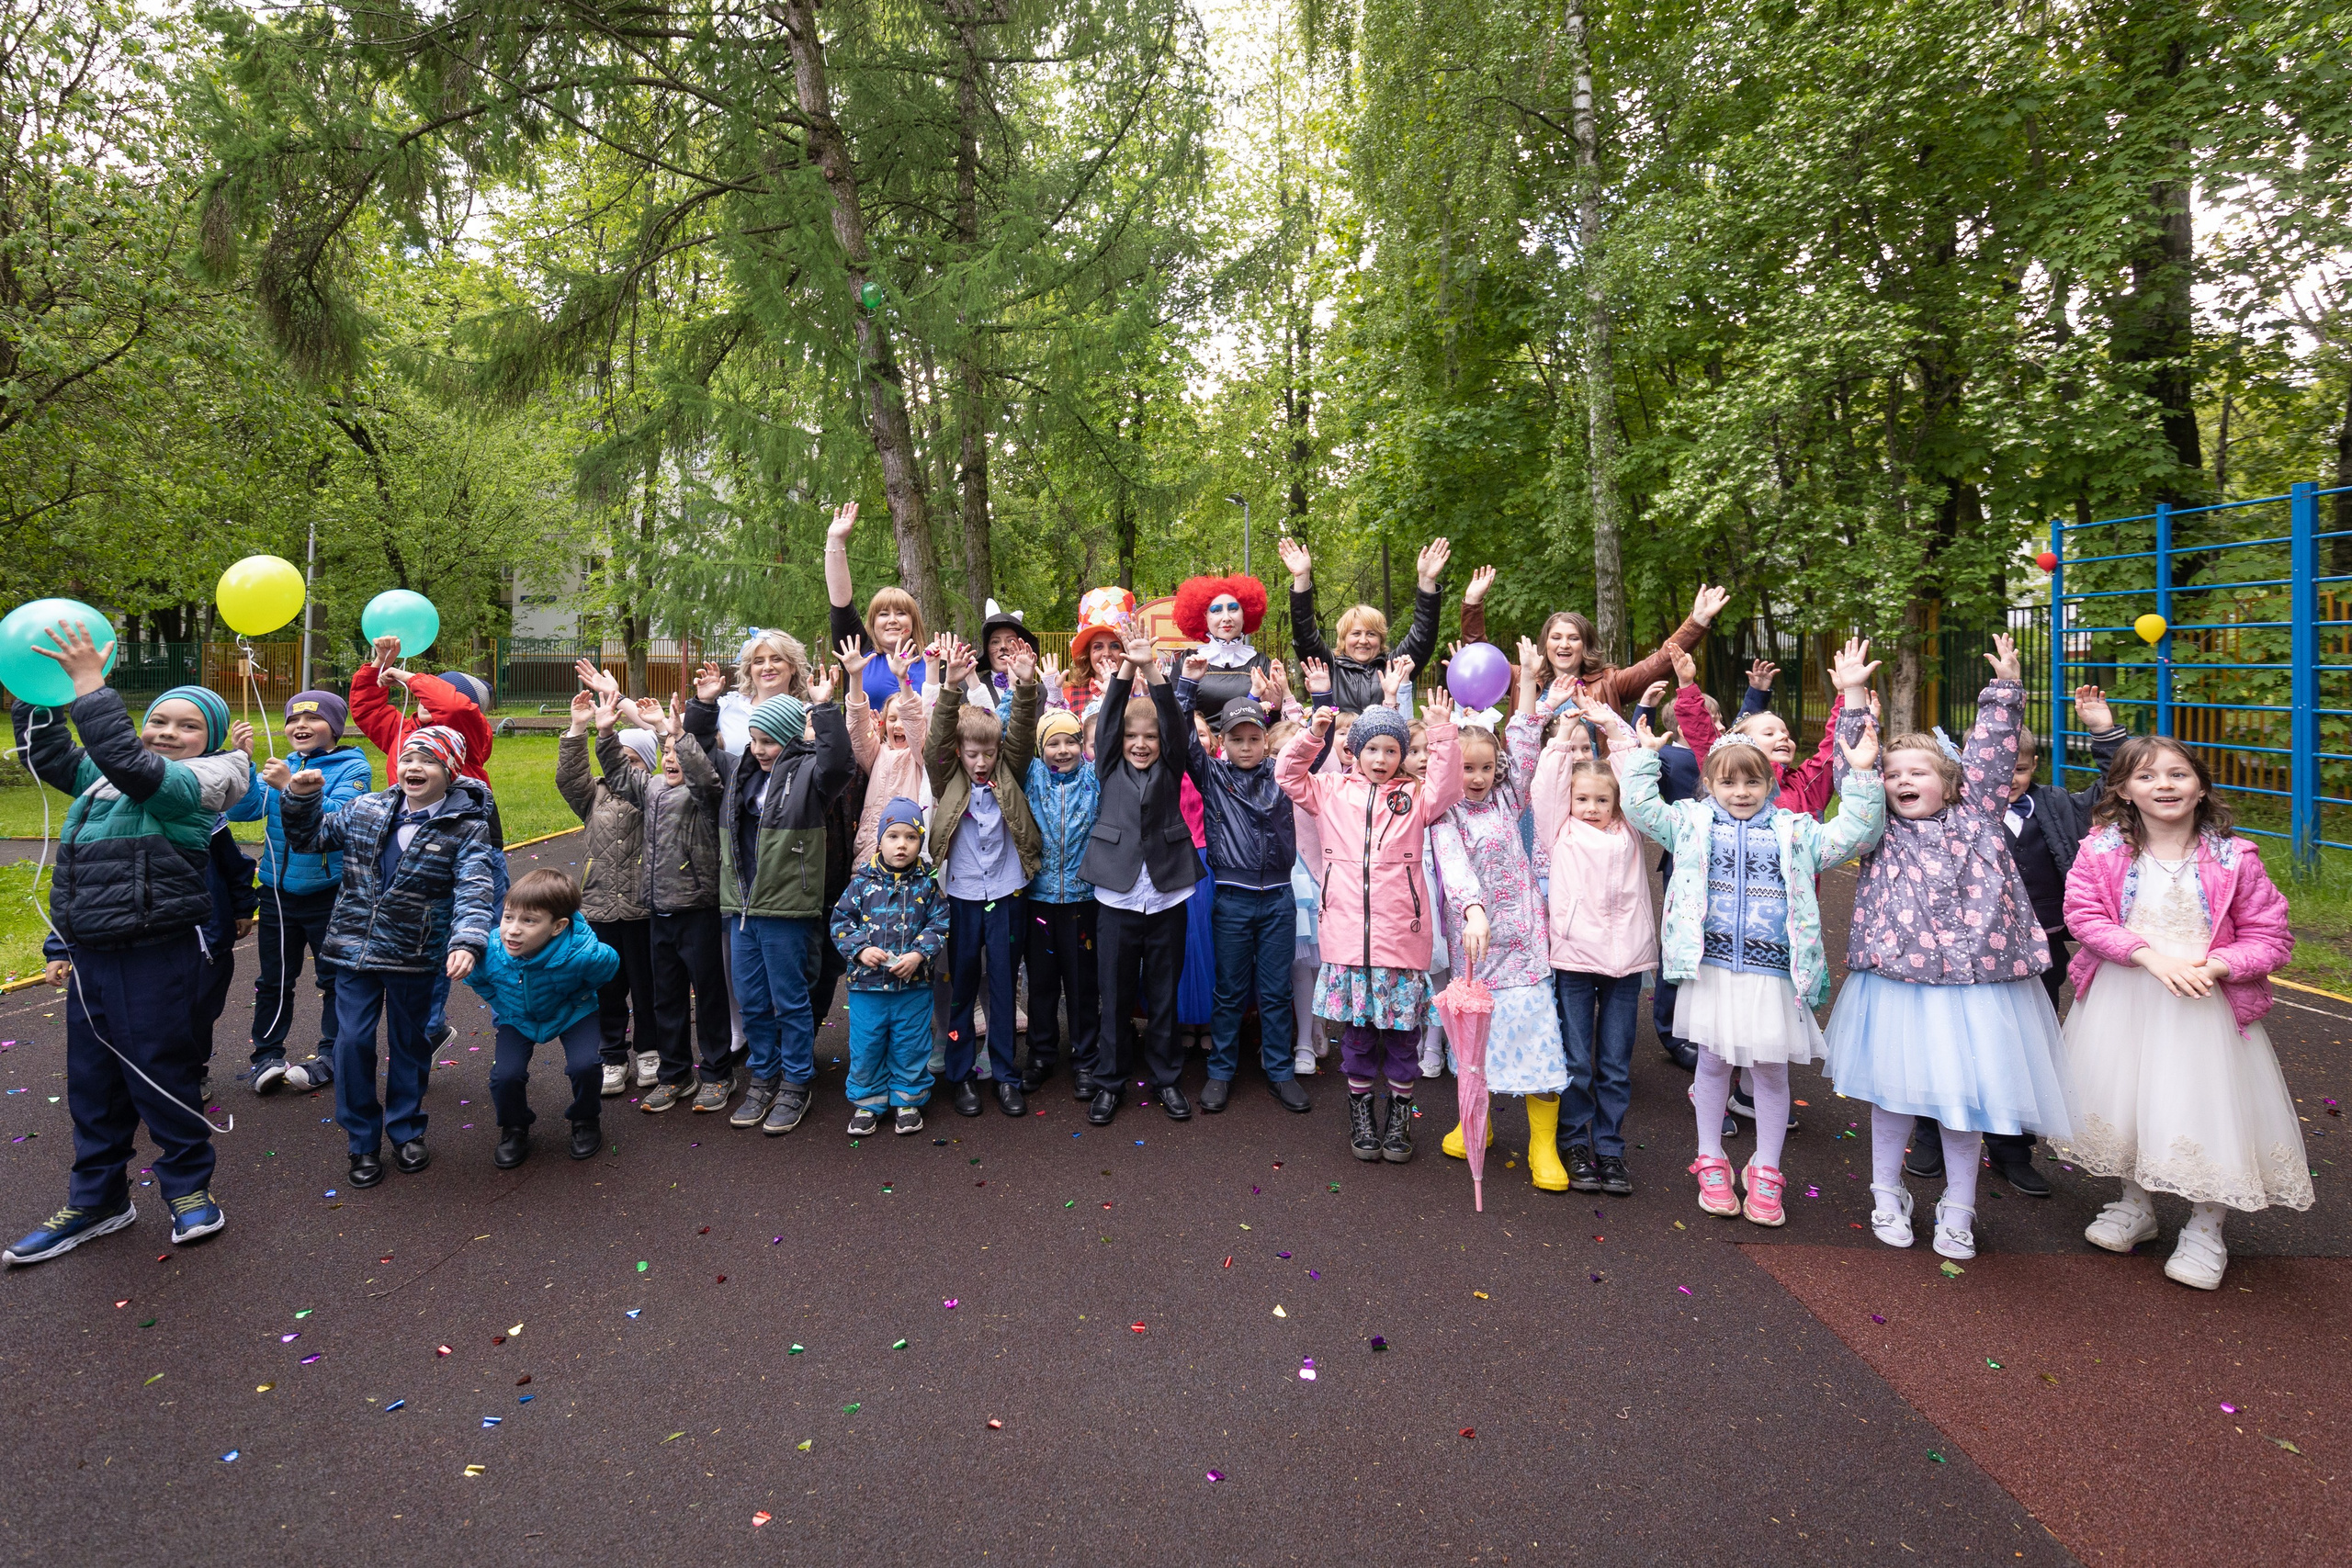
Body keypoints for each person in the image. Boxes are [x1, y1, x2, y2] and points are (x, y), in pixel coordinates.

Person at [1824, 637, 2075, 1263]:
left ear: (1953, 780)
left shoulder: (1981, 815)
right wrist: (1853, 696)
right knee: (1893, 1098)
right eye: (1894, 773)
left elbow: (1993, 752)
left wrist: (2005, 692)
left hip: (1976, 987)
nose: (1904, 780)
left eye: (1920, 771)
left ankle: (1958, 1209)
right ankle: (1887, 1192)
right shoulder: (1876, 827)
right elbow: (1851, 767)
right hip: (1899, 984)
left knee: (1967, 1105)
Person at [4, 635, 250, 1266]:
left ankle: (189, 1185)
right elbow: (53, 754)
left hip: (158, 951)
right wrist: (38, 693)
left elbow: (139, 772)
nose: (169, 732)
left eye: (189, 725)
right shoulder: (105, 776)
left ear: (213, 738)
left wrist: (91, 686)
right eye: (158, 720)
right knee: (93, 1083)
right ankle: (98, 1199)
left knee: (160, 1069)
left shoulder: (212, 775)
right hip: (93, 953)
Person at [1623, 703, 1884, 1228]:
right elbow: (1640, 808)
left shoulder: (1796, 831)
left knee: (1769, 1070)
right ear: (1710, 786)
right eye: (1728, 782)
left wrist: (1859, 775)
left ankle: (1767, 1169)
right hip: (1713, 968)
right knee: (1713, 1063)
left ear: (1769, 783)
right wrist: (1643, 761)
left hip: (1773, 974)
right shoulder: (1689, 824)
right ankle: (1711, 1160)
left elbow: (1855, 835)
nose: (1741, 792)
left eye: (1752, 782)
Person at [2055, 739, 2302, 1290]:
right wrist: (2147, 956)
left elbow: (2271, 937)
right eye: (2146, 777)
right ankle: (2135, 1204)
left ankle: (2206, 1227)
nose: (2164, 785)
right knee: (2127, 1099)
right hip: (2126, 998)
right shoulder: (2101, 851)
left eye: (2177, 774)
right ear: (2122, 791)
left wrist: (2215, 967)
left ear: (2202, 786)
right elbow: (2085, 916)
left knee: (2204, 1108)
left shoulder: (2236, 860)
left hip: (2202, 1008)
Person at [1902, 685, 2132, 1196]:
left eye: (2021, 770)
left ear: (2034, 767)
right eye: (2002, 769)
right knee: (1946, 1041)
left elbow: (2117, 787)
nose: (2009, 781)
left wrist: (2103, 731)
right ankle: (1931, 1136)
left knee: (2019, 1048)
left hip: (2037, 950)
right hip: (1962, 953)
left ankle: (2011, 1148)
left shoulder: (2055, 807)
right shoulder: (1953, 811)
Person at [281, 725, 498, 1188]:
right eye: (408, 759)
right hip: (354, 951)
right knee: (352, 1042)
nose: (413, 768)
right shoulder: (366, 807)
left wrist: (467, 941)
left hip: (414, 955)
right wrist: (300, 798)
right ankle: (361, 1141)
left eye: (428, 761)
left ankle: (405, 1130)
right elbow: (311, 838)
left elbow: (475, 889)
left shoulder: (467, 826)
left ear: (451, 770)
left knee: (410, 1044)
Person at [1277, 685, 1477, 1164]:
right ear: (1354, 752)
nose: (1382, 758)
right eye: (1372, 749)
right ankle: (1362, 1113)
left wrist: (1443, 733)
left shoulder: (1415, 796)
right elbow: (1286, 772)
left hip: (1400, 940)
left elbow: (1448, 788)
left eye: (1392, 750)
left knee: (1404, 1035)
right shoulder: (1329, 791)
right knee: (1360, 1034)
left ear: (1402, 755)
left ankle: (1400, 1116)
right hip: (1347, 940)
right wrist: (1313, 733)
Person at [689, 669, 854, 1136]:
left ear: (786, 738)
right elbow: (698, 758)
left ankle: (796, 1081)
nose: (758, 749)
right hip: (741, 908)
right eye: (754, 740)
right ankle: (764, 1076)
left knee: (790, 1000)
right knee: (755, 1001)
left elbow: (839, 763)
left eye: (768, 742)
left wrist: (823, 710)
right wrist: (703, 708)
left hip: (786, 908)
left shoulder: (808, 775)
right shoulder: (737, 772)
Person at [1523, 696, 1655, 1194]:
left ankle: (1610, 1149)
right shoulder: (1559, 828)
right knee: (1578, 1062)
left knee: (1616, 1065)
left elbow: (1637, 782)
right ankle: (1574, 1143)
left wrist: (1614, 728)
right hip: (1575, 959)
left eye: (1603, 801)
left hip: (1625, 963)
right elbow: (1548, 784)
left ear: (1617, 803)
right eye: (1584, 800)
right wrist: (1567, 727)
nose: (1593, 808)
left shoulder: (1633, 828)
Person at [1431, 692, 1565, 1183]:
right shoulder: (1445, 814)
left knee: (1538, 1040)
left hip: (1524, 944)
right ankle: (1476, 1122)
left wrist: (1528, 678)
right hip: (1476, 946)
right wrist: (1472, 910)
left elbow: (1526, 743)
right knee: (1476, 1044)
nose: (1478, 778)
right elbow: (1453, 863)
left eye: (1487, 767)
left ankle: (1542, 1148)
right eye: (1467, 768)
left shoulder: (1508, 800)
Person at [348, 637, 503, 1057]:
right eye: (423, 696)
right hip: (419, 851)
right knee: (428, 940)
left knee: (489, 938)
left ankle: (514, 1018)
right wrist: (376, 666)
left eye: (435, 693)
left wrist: (412, 677)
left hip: (473, 849)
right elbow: (364, 708)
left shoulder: (468, 732)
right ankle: (429, 1030)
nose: (428, 704)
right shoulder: (405, 734)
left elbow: (454, 708)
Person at [1080, 624, 1209, 1126]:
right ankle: (1110, 1082)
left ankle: (1167, 1080)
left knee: (1163, 995)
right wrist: (1125, 670)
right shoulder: (1107, 764)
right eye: (1134, 737)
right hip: (1115, 895)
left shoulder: (1172, 763)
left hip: (1166, 894)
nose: (1140, 744)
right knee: (1112, 997)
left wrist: (1152, 668)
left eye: (1149, 737)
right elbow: (1110, 722)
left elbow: (1177, 729)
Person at [1177, 659, 1312, 1114]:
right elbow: (1179, 736)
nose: (1247, 746)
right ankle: (1220, 1071)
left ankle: (1279, 1071)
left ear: (1265, 738)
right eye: (1237, 739)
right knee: (1230, 990)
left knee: (1275, 991)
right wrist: (1187, 683)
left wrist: (1315, 697)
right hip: (1232, 900)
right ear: (1223, 743)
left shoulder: (1281, 774)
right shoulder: (1212, 776)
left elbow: (1320, 742)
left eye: (1255, 738)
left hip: (1278, 899)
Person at [227, 690, 371, 1095]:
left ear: (335, 728)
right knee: (274, 979)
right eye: (293, 720)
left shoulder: (353, 767)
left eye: (313, 719)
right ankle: (267, 1057)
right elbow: (242, 810)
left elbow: (339, 817)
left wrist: (291, 785)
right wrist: (244, 763)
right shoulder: (283, 764)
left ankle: (333, 1053)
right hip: (276, 892)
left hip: (329, 893)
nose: (300, 727)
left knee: (333, 978)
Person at [924, 633, 1042, 1117]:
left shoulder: (1007, 768)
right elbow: (936, 744)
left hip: (1008, 892)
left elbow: (1019, 730)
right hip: (964, 896)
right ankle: (960, 1073)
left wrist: (1027, 685)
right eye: (971, 754)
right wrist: (951, 688)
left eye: (986, 755)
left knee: (1002, 983)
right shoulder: (947, 774)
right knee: (961, 986)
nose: (980, 762)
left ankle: (1005, 1074)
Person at [600, 687, 730, 1115]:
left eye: (678, 751)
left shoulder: (705, 794)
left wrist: (665, 730)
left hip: (698, 908)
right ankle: (676, 1074)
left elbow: (704, 777)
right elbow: (620, 774)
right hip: (659, 910)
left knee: (709, 996)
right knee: (666, 997)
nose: (671, 758)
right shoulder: (653, 788)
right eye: (665, 753)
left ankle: (717, 1073)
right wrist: (604, 733)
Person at [464, 869, 619, 1167]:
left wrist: (587, 968)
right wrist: (502, 1004)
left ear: (558, 926)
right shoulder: (493, 950)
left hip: (573, 1011)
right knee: (505, 1075)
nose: (512, 930)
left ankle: (586, 1119)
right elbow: (477, 980)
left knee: (585, 1065)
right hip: (517, 1016)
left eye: (529, 921)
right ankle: (514, 1127)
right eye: (508, 917)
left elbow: (607, 970)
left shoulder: (580, 952)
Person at [556, 683, 656, 1100]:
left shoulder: (655, 795)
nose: (624, 768)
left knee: (647, 985)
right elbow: (569, 776)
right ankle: (612, 1055)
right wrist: (578, 732)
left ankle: (650, 1051)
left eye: (635, 761)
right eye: (621, 759)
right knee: (607, 988)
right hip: (599, 906)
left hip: (642, 907)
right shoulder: (592, 795)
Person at [830, 797, 952, 1134]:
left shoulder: (927, 885)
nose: (901, 845)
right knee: (867, 1044)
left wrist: (918, 955)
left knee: (910, 1044)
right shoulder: (861, 884)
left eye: (911, 837)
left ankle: (907, 1097)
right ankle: (868, 1101)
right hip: (867, 987)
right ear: (880, 839)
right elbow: (840, 921)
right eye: (893, 836)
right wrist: (859, 950)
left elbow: (940, 923)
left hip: (912, 986)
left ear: (920, 843)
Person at [1020, 688, 1102, 1098]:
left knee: (1083, 984)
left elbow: (1104, 734)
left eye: (1071, 740)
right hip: (1039, 900)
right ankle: (1040, 1054)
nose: (1063, 749)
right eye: (1053, 742)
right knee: (1042, 983)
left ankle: (1086, 1059)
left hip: (1084, 902)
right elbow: (1013, 734)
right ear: (1041, 748)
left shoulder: (1093, 778)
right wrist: (1021, 690)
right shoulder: (1032, 776)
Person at [1277, 534, 1452, 713]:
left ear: (1381, 639)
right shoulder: (1329, 667)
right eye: (1356, 633)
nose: (1363, 640)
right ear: (1343, 638)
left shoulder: (1393, 668)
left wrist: (1427, 581)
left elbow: (1423, 637)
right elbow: (1305, 635)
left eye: (1371, 634)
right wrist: (1301, 578)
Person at [1517, 585, 1731, 718]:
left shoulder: (1610, 682)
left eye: (1574, 638)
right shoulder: (1523, 679)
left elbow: (1659, 663)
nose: (1564, 644)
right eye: (1556, 638)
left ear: (1586, 646)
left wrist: (1697, 622)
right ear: (1546, 644)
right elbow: (1483, 657)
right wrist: (1480, 602)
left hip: (1595, 784)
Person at [822, 500, 931, 707]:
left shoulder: (932, 662)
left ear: (913, 620)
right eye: (883, 614)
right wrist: (836, 541)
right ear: (872, 622)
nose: (892, 620)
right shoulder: (859, 650)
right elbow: (841, 605)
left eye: (901, 613)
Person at [839, 637, 930, 870]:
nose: (898, 725)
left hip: (908, 854)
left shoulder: (920, 755)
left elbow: (916, 725)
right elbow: (858, 729)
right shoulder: (876, 753)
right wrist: (856, 678)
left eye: (903, 719)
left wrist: (903, 680)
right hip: (869, 855)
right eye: (892, 719)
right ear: (884, 723)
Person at [1171, 574, 1273, 717]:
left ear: (1245, 615)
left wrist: (1271, 705)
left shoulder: (1261, 663)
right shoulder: (1188, 661)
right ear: (1204, 617)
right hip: (1198, 739)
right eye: (1217, 610)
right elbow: (1173, 714)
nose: (1226, 618)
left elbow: (1274, 717)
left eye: (1233, 609)